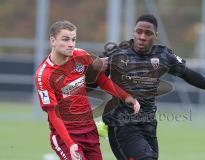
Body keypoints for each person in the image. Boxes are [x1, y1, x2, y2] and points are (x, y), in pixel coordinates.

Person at [102, 14, 205, 160]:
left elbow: (189, 75)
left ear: (155, 36)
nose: (142, 36)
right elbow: (93, 80)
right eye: (139, 32)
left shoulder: (163, 55)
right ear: (133, 33)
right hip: (122, 125)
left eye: (148, 33)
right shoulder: (118, 54)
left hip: (148, 126)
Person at [34, 20, 140, 160]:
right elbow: (53, 114)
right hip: (66, 136)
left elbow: (102, 80)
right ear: (53, 40)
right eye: (65, 39)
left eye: (73, 39)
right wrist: (70, 143)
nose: (71, 44)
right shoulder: (44, 75)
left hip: (89, 132)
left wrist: (126, 97)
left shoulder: (80, 56)